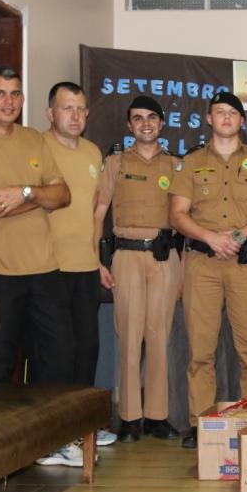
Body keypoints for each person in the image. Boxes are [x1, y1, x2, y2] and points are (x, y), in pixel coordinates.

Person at [0, 66, 79, 464]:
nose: (8, 101)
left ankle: (52, 441)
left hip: (44, 268)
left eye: (15, 94)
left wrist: (22, 191)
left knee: (58, 356)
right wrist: (36, 198)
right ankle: (0, 453)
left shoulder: (33, 139)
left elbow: (63, 195)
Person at [170, 92, 247, 448]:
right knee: (200, 350)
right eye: (219, 112)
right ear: (209, 119)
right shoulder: (190, 163)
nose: (226, 118)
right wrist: (210, 238)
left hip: (245, 264)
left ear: (242, 121)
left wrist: (238, 235)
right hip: (202, 263)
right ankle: (200, 423)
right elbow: (177, 214)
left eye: (233, 113)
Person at [93, 96, 182, 443]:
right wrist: (97, 261)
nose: (145, 124)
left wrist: (184, 268)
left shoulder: (176, 166)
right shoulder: (115, 163)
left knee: (160, 337)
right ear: (129, 126)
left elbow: (186, 218)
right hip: (126, 256)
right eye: (137, 119)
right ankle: (130, 418)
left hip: (164, 258)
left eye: (152, 118)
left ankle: (158, 416)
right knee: (129, 338)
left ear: (162, 124)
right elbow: (99, 214)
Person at [43, 81, 116, 447]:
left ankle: (83, 427)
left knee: (88, 347)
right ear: (50, 113)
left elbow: (93, 212)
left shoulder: (92, 152)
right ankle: (56, 434)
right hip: (48, 269)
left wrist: (98, 260)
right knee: (58, 353)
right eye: (67, 108)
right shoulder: (37, 147)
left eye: (81, 109)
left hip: (85, 268)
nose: (75, 115)